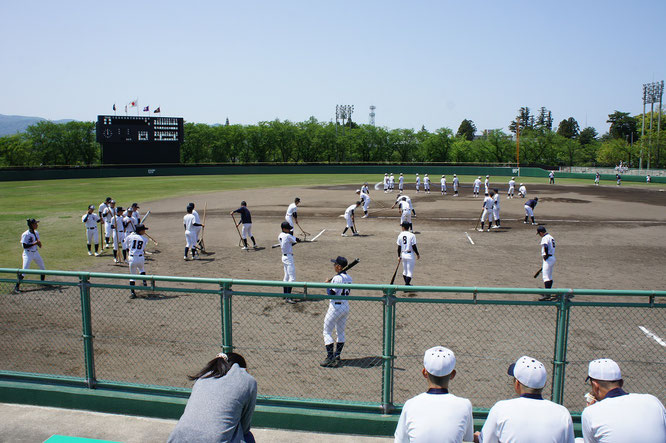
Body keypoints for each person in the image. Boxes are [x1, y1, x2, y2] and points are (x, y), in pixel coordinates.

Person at [474, 356, 575, 443]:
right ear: (544, 384)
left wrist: (478, 437)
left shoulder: (501, 409)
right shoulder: (563, 413)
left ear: (517, 384)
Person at [168, 352, 257, 443]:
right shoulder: (248, 380)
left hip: (177, 439)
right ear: (244, 369)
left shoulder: (203, 377)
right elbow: (245, 427)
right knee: (247, 437)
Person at [395, 346, 473, 443]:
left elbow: (400, 441)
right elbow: (469, 439)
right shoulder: (464, 405)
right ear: (452, 374)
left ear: (424, 372)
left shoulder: (410, 405)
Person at [581, 358, 666, 443]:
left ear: (595, 386)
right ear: (621, 383)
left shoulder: (591, 412)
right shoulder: (652, 400)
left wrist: (592, 410)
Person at [320, 256, 352, 368]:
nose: (333, 266)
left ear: (339, 267)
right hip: (345, 307)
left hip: (335, 307)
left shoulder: (337, 278)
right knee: (340, 332)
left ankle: (330, 357)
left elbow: (331, 293)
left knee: (327, 332)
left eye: (335, 265)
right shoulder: (349, 277)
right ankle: (337, 355)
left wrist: (327, 285)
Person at [13, 218, 45, 293]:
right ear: (31, 225)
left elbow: (38, 243)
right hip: (28, 254)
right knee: (24, 271)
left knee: (42, 267)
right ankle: (16, 287)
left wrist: (39, 244)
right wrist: (35, 243)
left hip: (35, 253)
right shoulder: (25, 234)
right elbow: (25, 246)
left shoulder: (36, 232)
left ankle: (42, 283)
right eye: (35, 224)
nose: (37, 225)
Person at [278, 221, 300, 303]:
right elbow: (296, 240)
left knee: (286, 276)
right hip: (288, 258)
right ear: (284, 229)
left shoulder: (280, 235)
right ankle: (288, 297)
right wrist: (298, 240)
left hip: (284, 256)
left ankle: (285, 295)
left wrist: (294, 242)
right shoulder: (287, 236)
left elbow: (289, 244)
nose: (289, 230)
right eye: (288, 229)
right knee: (292, 278)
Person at [126, 224, 148, 299]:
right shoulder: (145, 239)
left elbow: (127, 245)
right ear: (140, 231)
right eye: (144, 230)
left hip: (132, 258)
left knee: (132, 276)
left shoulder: (130, 237)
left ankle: (132, 292)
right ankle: (144, 282)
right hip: (140, 257)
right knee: (142, 269)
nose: (145, 231)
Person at [537, 226, 556, 301]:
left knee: (546, 277)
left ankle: (547, 295)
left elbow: (545, 246)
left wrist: (546, 255)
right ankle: (549, 292)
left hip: (548, 258)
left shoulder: (545, 238)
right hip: (552, 258)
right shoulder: (551, 237)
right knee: (549, 276)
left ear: (541, 233)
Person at [397, 222, 420, 286]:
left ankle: (407, 284)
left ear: (403, 227)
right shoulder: (412, 235)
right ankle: (407, 286)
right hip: (410, 255)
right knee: (409, 272)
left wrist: (398, 256)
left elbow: (399, 247)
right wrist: (417, 254)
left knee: (405, 271)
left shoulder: (400, 235)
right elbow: (414, 246)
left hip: (403, 254)